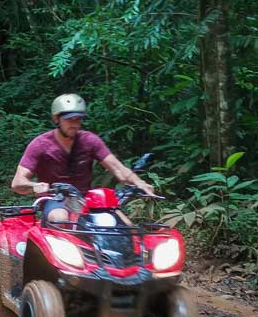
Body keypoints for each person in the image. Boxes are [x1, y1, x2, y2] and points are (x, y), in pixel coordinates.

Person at [11, 93, 155, 223]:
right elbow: (17, 183)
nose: (74, 124)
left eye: (78, 119)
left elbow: (118, 168)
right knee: (60, 219)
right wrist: (35, 186)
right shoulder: (41, 144)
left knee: (125, 226)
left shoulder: (89, 141)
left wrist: (139, 182)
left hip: (87, 200)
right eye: (69, 120)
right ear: (56, 118)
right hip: (55, 200)